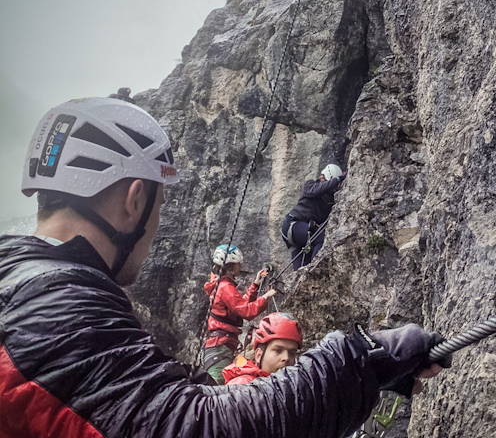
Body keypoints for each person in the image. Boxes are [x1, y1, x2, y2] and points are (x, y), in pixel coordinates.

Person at [0, 97, 449, 437]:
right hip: (223, 346)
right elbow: (193, 425)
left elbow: (159, 409)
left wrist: (364, 381)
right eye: (161, 204)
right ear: (135, 199)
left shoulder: (28, 290)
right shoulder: (58, 306)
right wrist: (360, 361)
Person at [202, 243, 275, 384]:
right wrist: (265, 297)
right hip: (220, 348)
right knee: (217, 387)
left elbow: (239, 305)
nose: (240, 267)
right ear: (230, 266)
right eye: (237, 264)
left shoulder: (222, 285)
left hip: (222, 345)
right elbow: (247, 311)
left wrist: (255, 285)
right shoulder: (225, 288)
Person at [281, 163, 345, 270]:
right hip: (292, 225)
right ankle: (315, 271)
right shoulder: (310, 185)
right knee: (321, 238)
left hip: (300, 236)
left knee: (300, 270)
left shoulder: (329, 201)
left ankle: (303, 282)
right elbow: (317, 189)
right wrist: (338, 179)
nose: (321, 178)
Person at [223, 312, 304, 385]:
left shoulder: (292, 387)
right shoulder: (243, 386)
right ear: (258, 355)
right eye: (278, 350)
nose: (286, 358)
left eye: (292, 353)